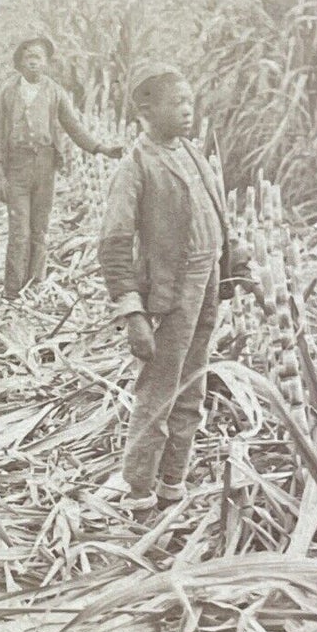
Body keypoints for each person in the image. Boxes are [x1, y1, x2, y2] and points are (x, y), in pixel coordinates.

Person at [97, 70, 239, 509]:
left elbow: (217, 217)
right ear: (145, 110)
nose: (186, 111)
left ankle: (173, 481)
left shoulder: (192, 154)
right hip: (170, 292)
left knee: (192, 386)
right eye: (175, 103)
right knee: (158, 390)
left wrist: (238, 265)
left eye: (190, 102)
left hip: (207, 282)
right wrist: (133, 312)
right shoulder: (136, 166)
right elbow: (114, 244)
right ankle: (139, 488)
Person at [0, 36, 123, 299]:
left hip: (45, 165)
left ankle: (35, 283)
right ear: (19, 62)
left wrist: (101, 148)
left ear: (46, 62)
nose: (33, 61)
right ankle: (12, 290)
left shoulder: (55, 92)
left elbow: (74, 126)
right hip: (17, 166)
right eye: (28, 56)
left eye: (38, 56)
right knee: (19, 231)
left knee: (39, 228)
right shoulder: (8, 93)